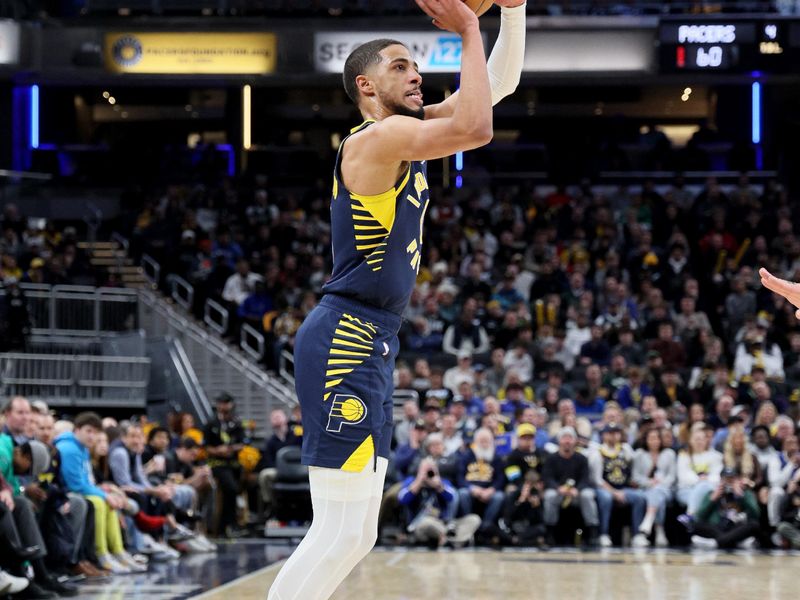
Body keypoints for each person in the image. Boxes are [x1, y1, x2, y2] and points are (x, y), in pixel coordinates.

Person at [268, 0, 526, 594]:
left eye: (416, 67)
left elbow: (497, 87)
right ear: (366, 85)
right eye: (400, 66)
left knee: (359, 535)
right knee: (334, 529)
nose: (416, 75)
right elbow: (478, 129)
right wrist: (466, 27)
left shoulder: (404, 132)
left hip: (372, 337)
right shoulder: (378, 140)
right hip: (344, 337)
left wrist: (510, 14)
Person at [590, 423, 647, 547]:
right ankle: (603, 534)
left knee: (640, 497)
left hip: (623, 488)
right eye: (610, 433)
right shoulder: (598, 453)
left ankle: (637, 534)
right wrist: (614, 492)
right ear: (604, 435)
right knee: (606, 499)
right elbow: (597, 480)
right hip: (604, 488)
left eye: (616, 433)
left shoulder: (625, 449)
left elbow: (634, 467)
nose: (614, 436)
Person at [541, 426, 599, 546]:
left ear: (575, 441)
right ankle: (549, 532)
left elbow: (585, 478)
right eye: (564, 438)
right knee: (550, 496)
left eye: (570, 438)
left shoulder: (582, 458)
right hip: (559, 492)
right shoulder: (551, 458)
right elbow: (547, 478)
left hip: (576, 493)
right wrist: (558, 488)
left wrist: (577, 490)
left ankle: (593, 532)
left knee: (587, 495)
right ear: (559, 440)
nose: (567, 441)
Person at [204, 393, 247, 537]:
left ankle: (237, 523)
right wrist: (217, 451)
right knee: (231, 488)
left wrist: (230, 449)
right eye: (221, 403)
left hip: (234, 464)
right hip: (218, 464)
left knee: (240, 488)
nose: (224, 406)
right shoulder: (211, 423)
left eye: (227, 403)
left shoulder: (237, 423)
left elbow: (243, 443)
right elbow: (205, 447)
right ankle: (226, 525)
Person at [691, 467, 761, 549]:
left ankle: (716, 543)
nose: (729, 482)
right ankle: (735, 542)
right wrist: (712, 500)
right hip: (717, 527)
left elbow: (756, 514)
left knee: (754, 525)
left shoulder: (746, 493)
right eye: (726, 479)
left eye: (732, 479)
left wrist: (741, 496)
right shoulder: (712, 493)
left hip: (737, 527)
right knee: (696, 524)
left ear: (737, 480)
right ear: (721, 480)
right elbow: (700, 516)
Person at [631, 428, 676, 547]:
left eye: (657, 438)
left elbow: (672, 476)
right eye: (651, 439)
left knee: (658, 492)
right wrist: (649, 482)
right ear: (645, 440)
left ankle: (649, 520)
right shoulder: (639, 454)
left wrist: (660, 483)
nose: (654, 441)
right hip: (645, 489)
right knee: (656, 496)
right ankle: (659, 530)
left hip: (665, 489)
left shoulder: (669, 453)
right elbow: (636, 477)